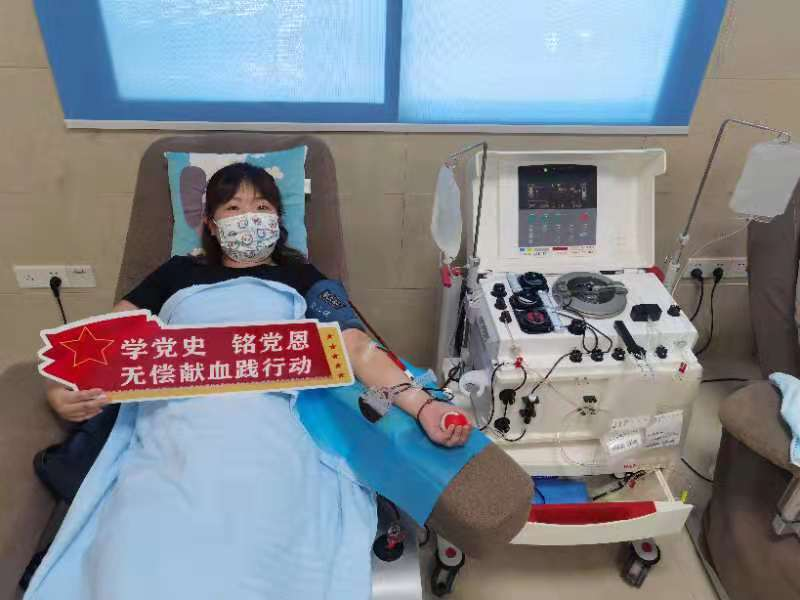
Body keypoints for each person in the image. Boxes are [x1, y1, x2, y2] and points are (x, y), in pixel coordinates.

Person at [35, 162, 471, 600]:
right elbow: (105, 338)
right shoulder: (176, 274)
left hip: (270, 421)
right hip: (178, 421)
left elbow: (357, 348)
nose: (249, 217)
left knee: (261, 535)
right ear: (210, 224)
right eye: (233, 207)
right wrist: (60, 386)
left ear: (278, 220)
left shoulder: (303, 278)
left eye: (261, 206)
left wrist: (424, 405)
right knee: (143, 543)